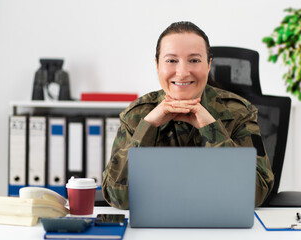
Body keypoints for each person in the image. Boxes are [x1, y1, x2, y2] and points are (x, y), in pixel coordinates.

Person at [102, 21, 274, 209]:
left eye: (194, 60)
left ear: (208, 65)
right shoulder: (138, 115)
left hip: (221, 226)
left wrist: (212, 129)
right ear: (157, 65)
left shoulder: (239, 113)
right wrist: (148, 127)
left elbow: (255, 194)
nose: (182, 72)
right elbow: (117, 196)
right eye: (171, 60)